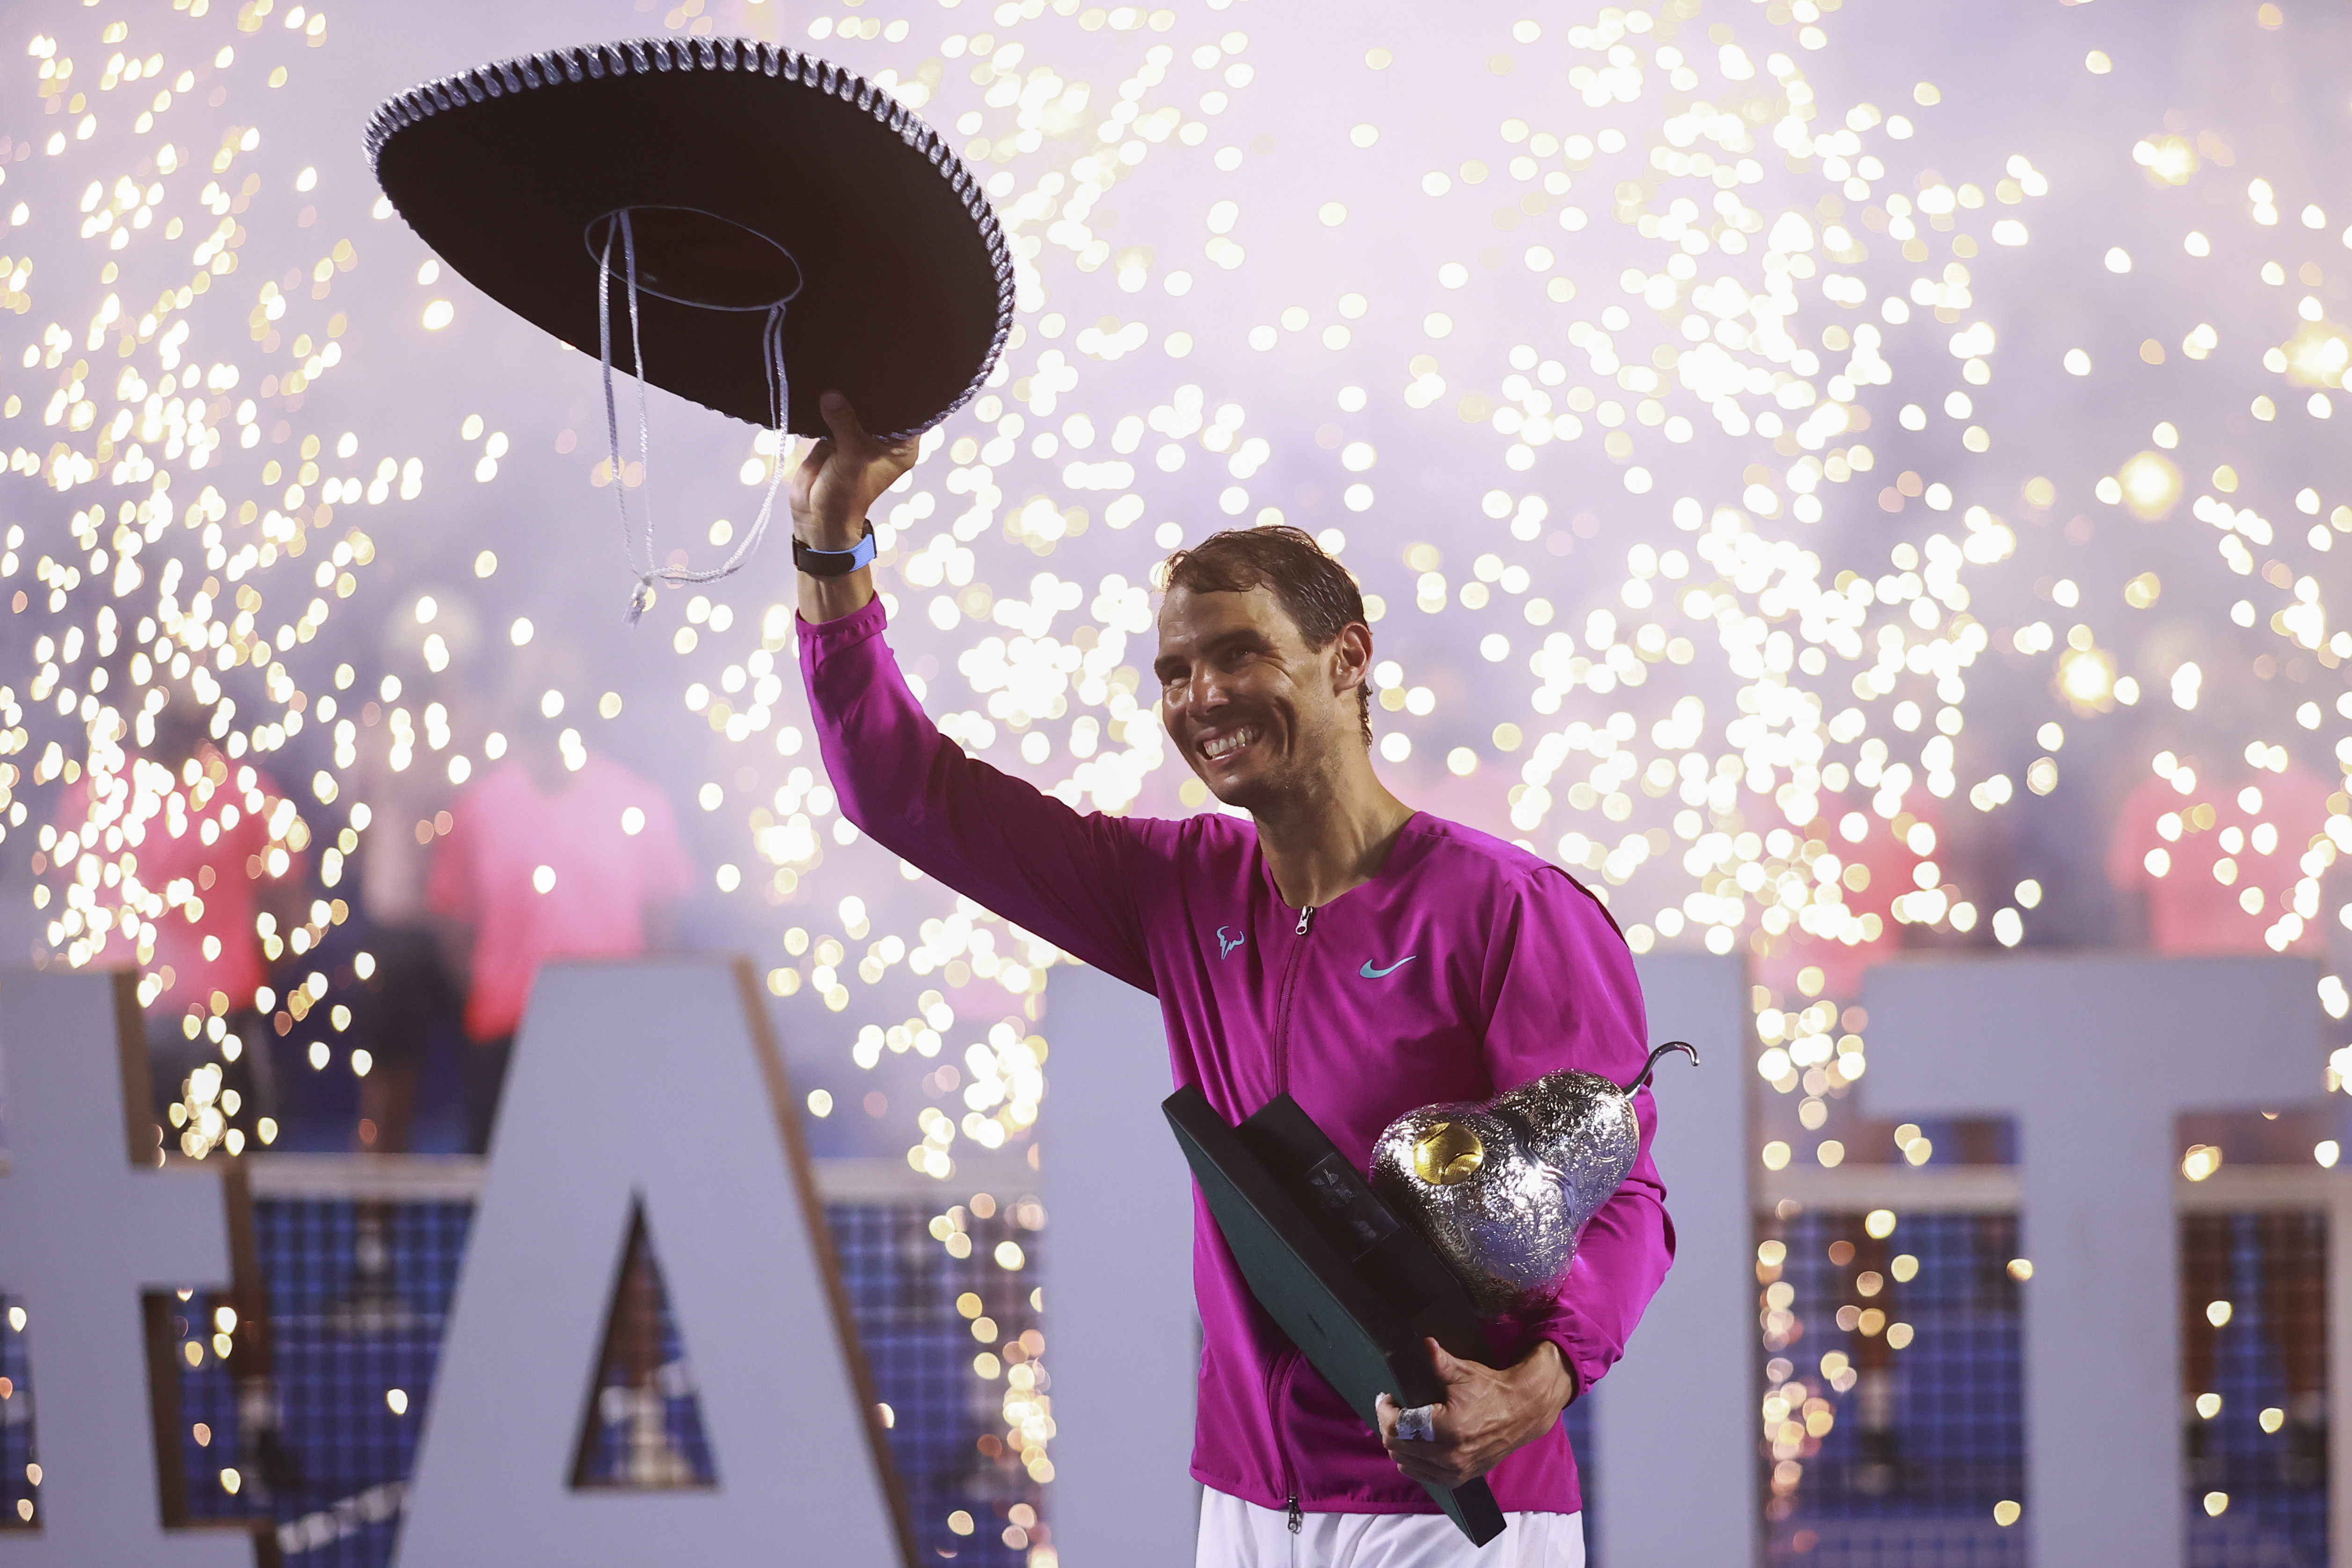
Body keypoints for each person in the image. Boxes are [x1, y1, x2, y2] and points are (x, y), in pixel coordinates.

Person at [790, 392, 1671, 1566]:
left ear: (1348, 657)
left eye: (1240, 653)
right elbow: (903, 790)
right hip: (1249, 1506)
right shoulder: (1178, 887)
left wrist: (1540, 1384)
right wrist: (831, 541)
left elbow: (1625, 1198)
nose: (1201, 697)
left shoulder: (1510, 910)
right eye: (1174, 670)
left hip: (1456, 1516)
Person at [425, 653, 694, 1153]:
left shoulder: (638, 803)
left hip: (610, 1039)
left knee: (617, 1191)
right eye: (535, 719)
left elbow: (665, 925)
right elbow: (453, 927)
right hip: (506, 1038)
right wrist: (496, 994)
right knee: (505, 1203)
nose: (548, 734)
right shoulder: (479, 810)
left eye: (559, 718)